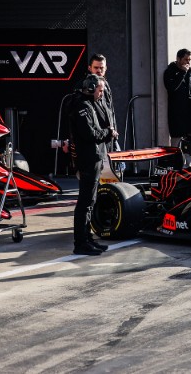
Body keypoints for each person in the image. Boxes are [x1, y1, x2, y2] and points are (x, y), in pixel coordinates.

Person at [69, 74, 115, 255]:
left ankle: (87, 239)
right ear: (91, 88)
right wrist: (108, 133)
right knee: (85, 202)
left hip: (93, 157)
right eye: (100, 90)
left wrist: (106, 132)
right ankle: (80, 243)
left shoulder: (90, 104)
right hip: (88, 159)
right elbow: (89, 134)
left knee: (91, 200)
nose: (102, 94)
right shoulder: (82, 106)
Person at [81, 54, 117, 148]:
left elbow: (110, 110)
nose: (99, 70)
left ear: (106, 68)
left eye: (101, 68)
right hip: (97, 139)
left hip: (109, 136)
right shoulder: (84, 87)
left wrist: (113, 130)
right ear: (90, 68)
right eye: (96, 67)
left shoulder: (106, 85)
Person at [163, 48, 191, 143]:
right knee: (176, 143)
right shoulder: (170, 72)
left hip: (190, 114)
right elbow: (172, 88)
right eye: (186, 59)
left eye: (189, 60)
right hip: (177, 114)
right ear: (178, 59)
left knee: (190, 146)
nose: (188, 62)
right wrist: (182, 73)